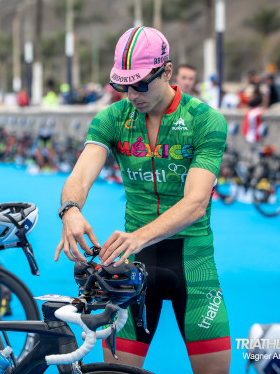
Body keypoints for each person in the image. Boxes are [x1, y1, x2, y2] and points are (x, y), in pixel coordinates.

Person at [54, 26, 230, 374]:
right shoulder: (113, 118)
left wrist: (138, 236)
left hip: (193, 261)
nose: (131, 94)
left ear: (166, 71)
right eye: (122, 85)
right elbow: (80, 174)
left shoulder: (205, 120)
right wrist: (70, 209)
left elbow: (195, 203)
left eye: (140, 84)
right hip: (131, 264)